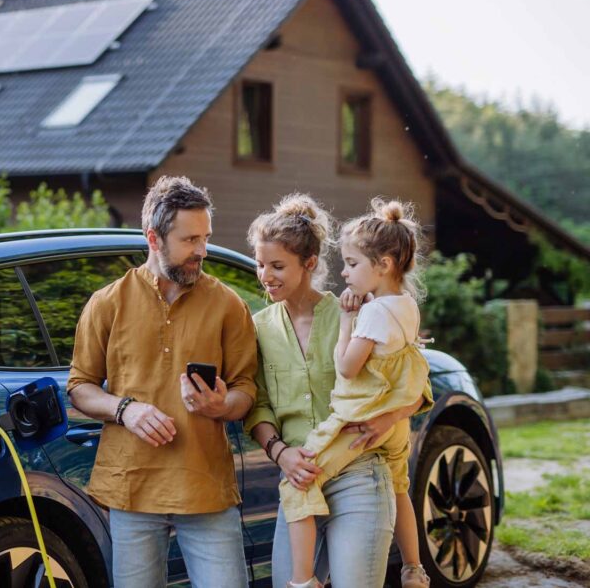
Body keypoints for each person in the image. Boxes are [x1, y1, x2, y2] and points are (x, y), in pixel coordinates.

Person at [67, 175, 257, 588]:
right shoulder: (107, 303)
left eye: (205, 237)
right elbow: (80, 386)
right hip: (131, 489)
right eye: (190, 240)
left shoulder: (229, 305)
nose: (202, 250)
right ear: (154, 238)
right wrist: (125, 409)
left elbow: (246, 390)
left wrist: (222, 406)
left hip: (205, 488)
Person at [245, 193, 432, 588]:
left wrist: (387, 419)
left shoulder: (360, 310)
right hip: (300, 476)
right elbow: (258, 405)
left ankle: (413, 568)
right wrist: (281, 454)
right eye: (261, 265)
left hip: (361, 473)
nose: (265, 275)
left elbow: (412, 383)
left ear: (309, 264)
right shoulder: (258, 328)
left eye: (277, 266)